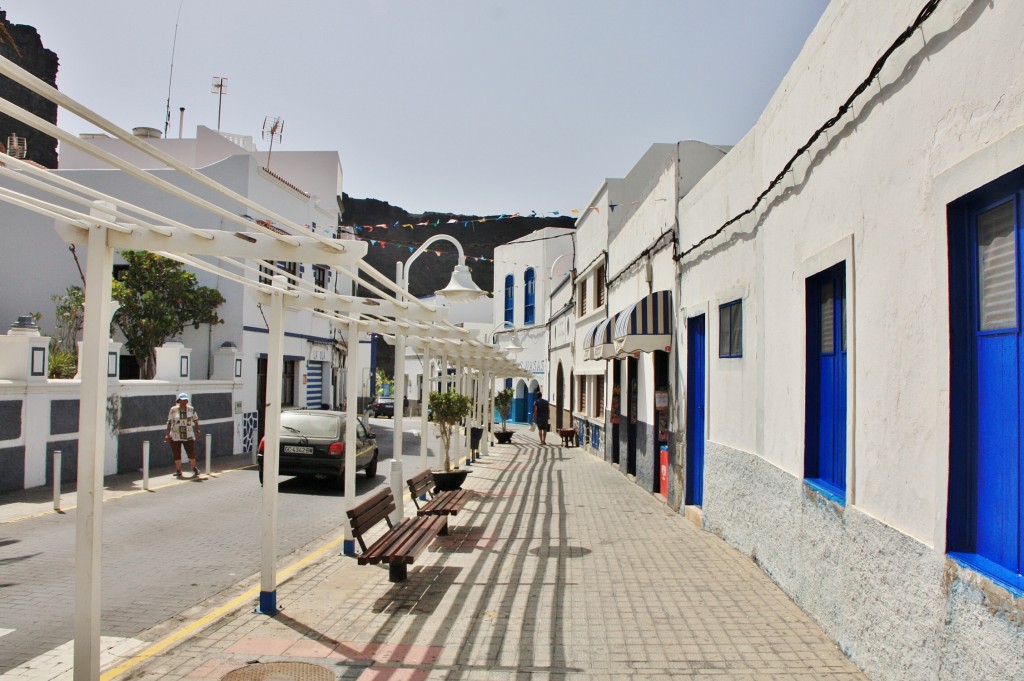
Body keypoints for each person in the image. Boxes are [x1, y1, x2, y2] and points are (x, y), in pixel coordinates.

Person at [166, 392, 201, 479]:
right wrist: (167, 434)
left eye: (185, 400)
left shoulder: (191, 409)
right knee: (176, 453)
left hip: (188, 434)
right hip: (175, 435)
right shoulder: (173, 409)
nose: (184, 402)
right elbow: (169, 422)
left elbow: (196, 420)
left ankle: (194, 467)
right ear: (178, 401)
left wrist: (197, 431)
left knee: (191, 452)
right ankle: (178, 470)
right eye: (182, 400)